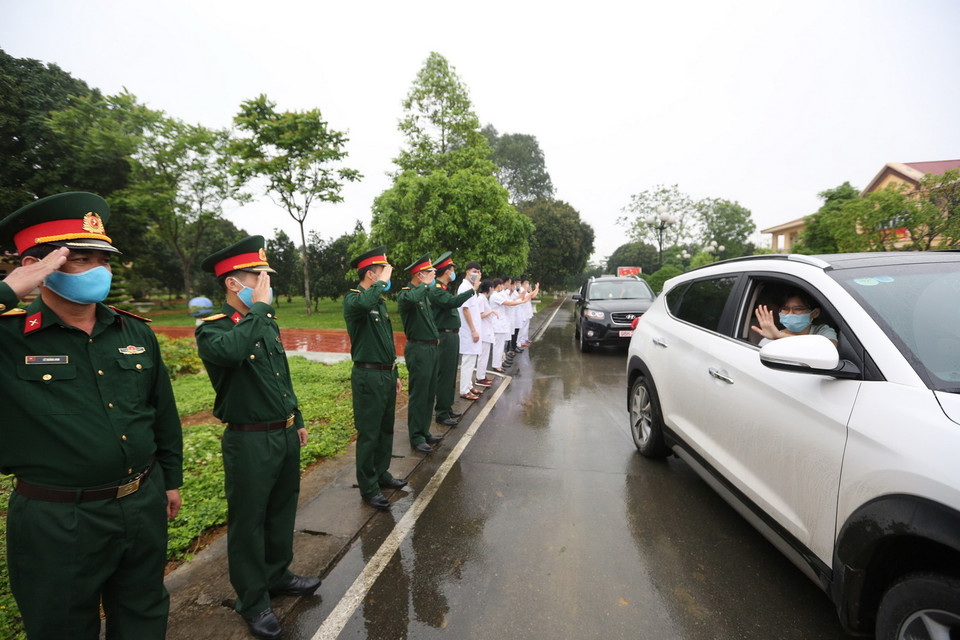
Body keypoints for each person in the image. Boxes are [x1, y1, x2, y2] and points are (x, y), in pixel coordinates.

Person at [0, 192, 183, 640]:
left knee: (143, 614)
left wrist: (171, 479)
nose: (100, 271)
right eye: (81, 259)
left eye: (104, 259)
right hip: (59, 518)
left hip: (142, 502)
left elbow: (162, 412)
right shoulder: (9, 336)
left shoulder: (132, 330)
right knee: (61, 626)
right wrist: (12, 286)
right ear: (35, 264)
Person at [195, 236, 319, 640]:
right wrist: (260, 310)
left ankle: (277, 575)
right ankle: (252, 600)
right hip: (248, 441)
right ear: (233, 284)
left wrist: (295, 415)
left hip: (281, 433)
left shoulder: (265, 322)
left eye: (266, 274)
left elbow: (279, 375)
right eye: (258, 275)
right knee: (248, 522)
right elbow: (233, 353)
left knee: (280, 512)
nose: (266, 282)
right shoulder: (213, 330)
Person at [343, 247, 406, 511]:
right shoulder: (354, 299)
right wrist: (379, 284)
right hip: (367, 375)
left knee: (385, 428)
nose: (387, 278)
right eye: (384, 272)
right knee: (369, 433)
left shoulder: (378, 302)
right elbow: (364, 303)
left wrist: (396, 371)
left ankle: (382, 473)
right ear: (371, 274)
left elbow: (385, 342)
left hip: (386, 373)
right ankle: (368, 487)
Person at [398, 254, 443, 453]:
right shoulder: (406, 294)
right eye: (430, 272)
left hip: (431, 348)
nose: (434, 275)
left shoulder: (422, 294)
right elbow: (412, 298)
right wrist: (424, 284)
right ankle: (415, 436)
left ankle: (424, 431)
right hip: (418, 349)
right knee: (419, 394)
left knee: (429, 392)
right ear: (419, 275)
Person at [427, 252, 478, 425]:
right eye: (451, 269)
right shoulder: (436, 291)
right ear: (447, 272)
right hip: (445, 336)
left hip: (452, 336)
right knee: (444, 375)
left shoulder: (444, 289)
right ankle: (441, 412)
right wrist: (473, 290)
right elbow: (454, 303)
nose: (453, 272)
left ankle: (447, 408)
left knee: (450, 375)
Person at [751, 287, 838, 346]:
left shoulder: (822, 331)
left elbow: (829, 349)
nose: (790, 313)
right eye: (785, 308)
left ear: (815, 313)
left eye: (798, 308)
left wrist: (780, 336)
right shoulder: (768, 341)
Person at [474, 279, 498, 387]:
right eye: (492, 287)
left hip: (487, 331)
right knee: (483, 356)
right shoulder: (481, 299)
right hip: (483, 332)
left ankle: (482, 375)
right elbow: (480, 314)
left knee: (485, 356)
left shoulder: (484, 299)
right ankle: (479, 378)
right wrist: (492, 311)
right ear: (489, 288)